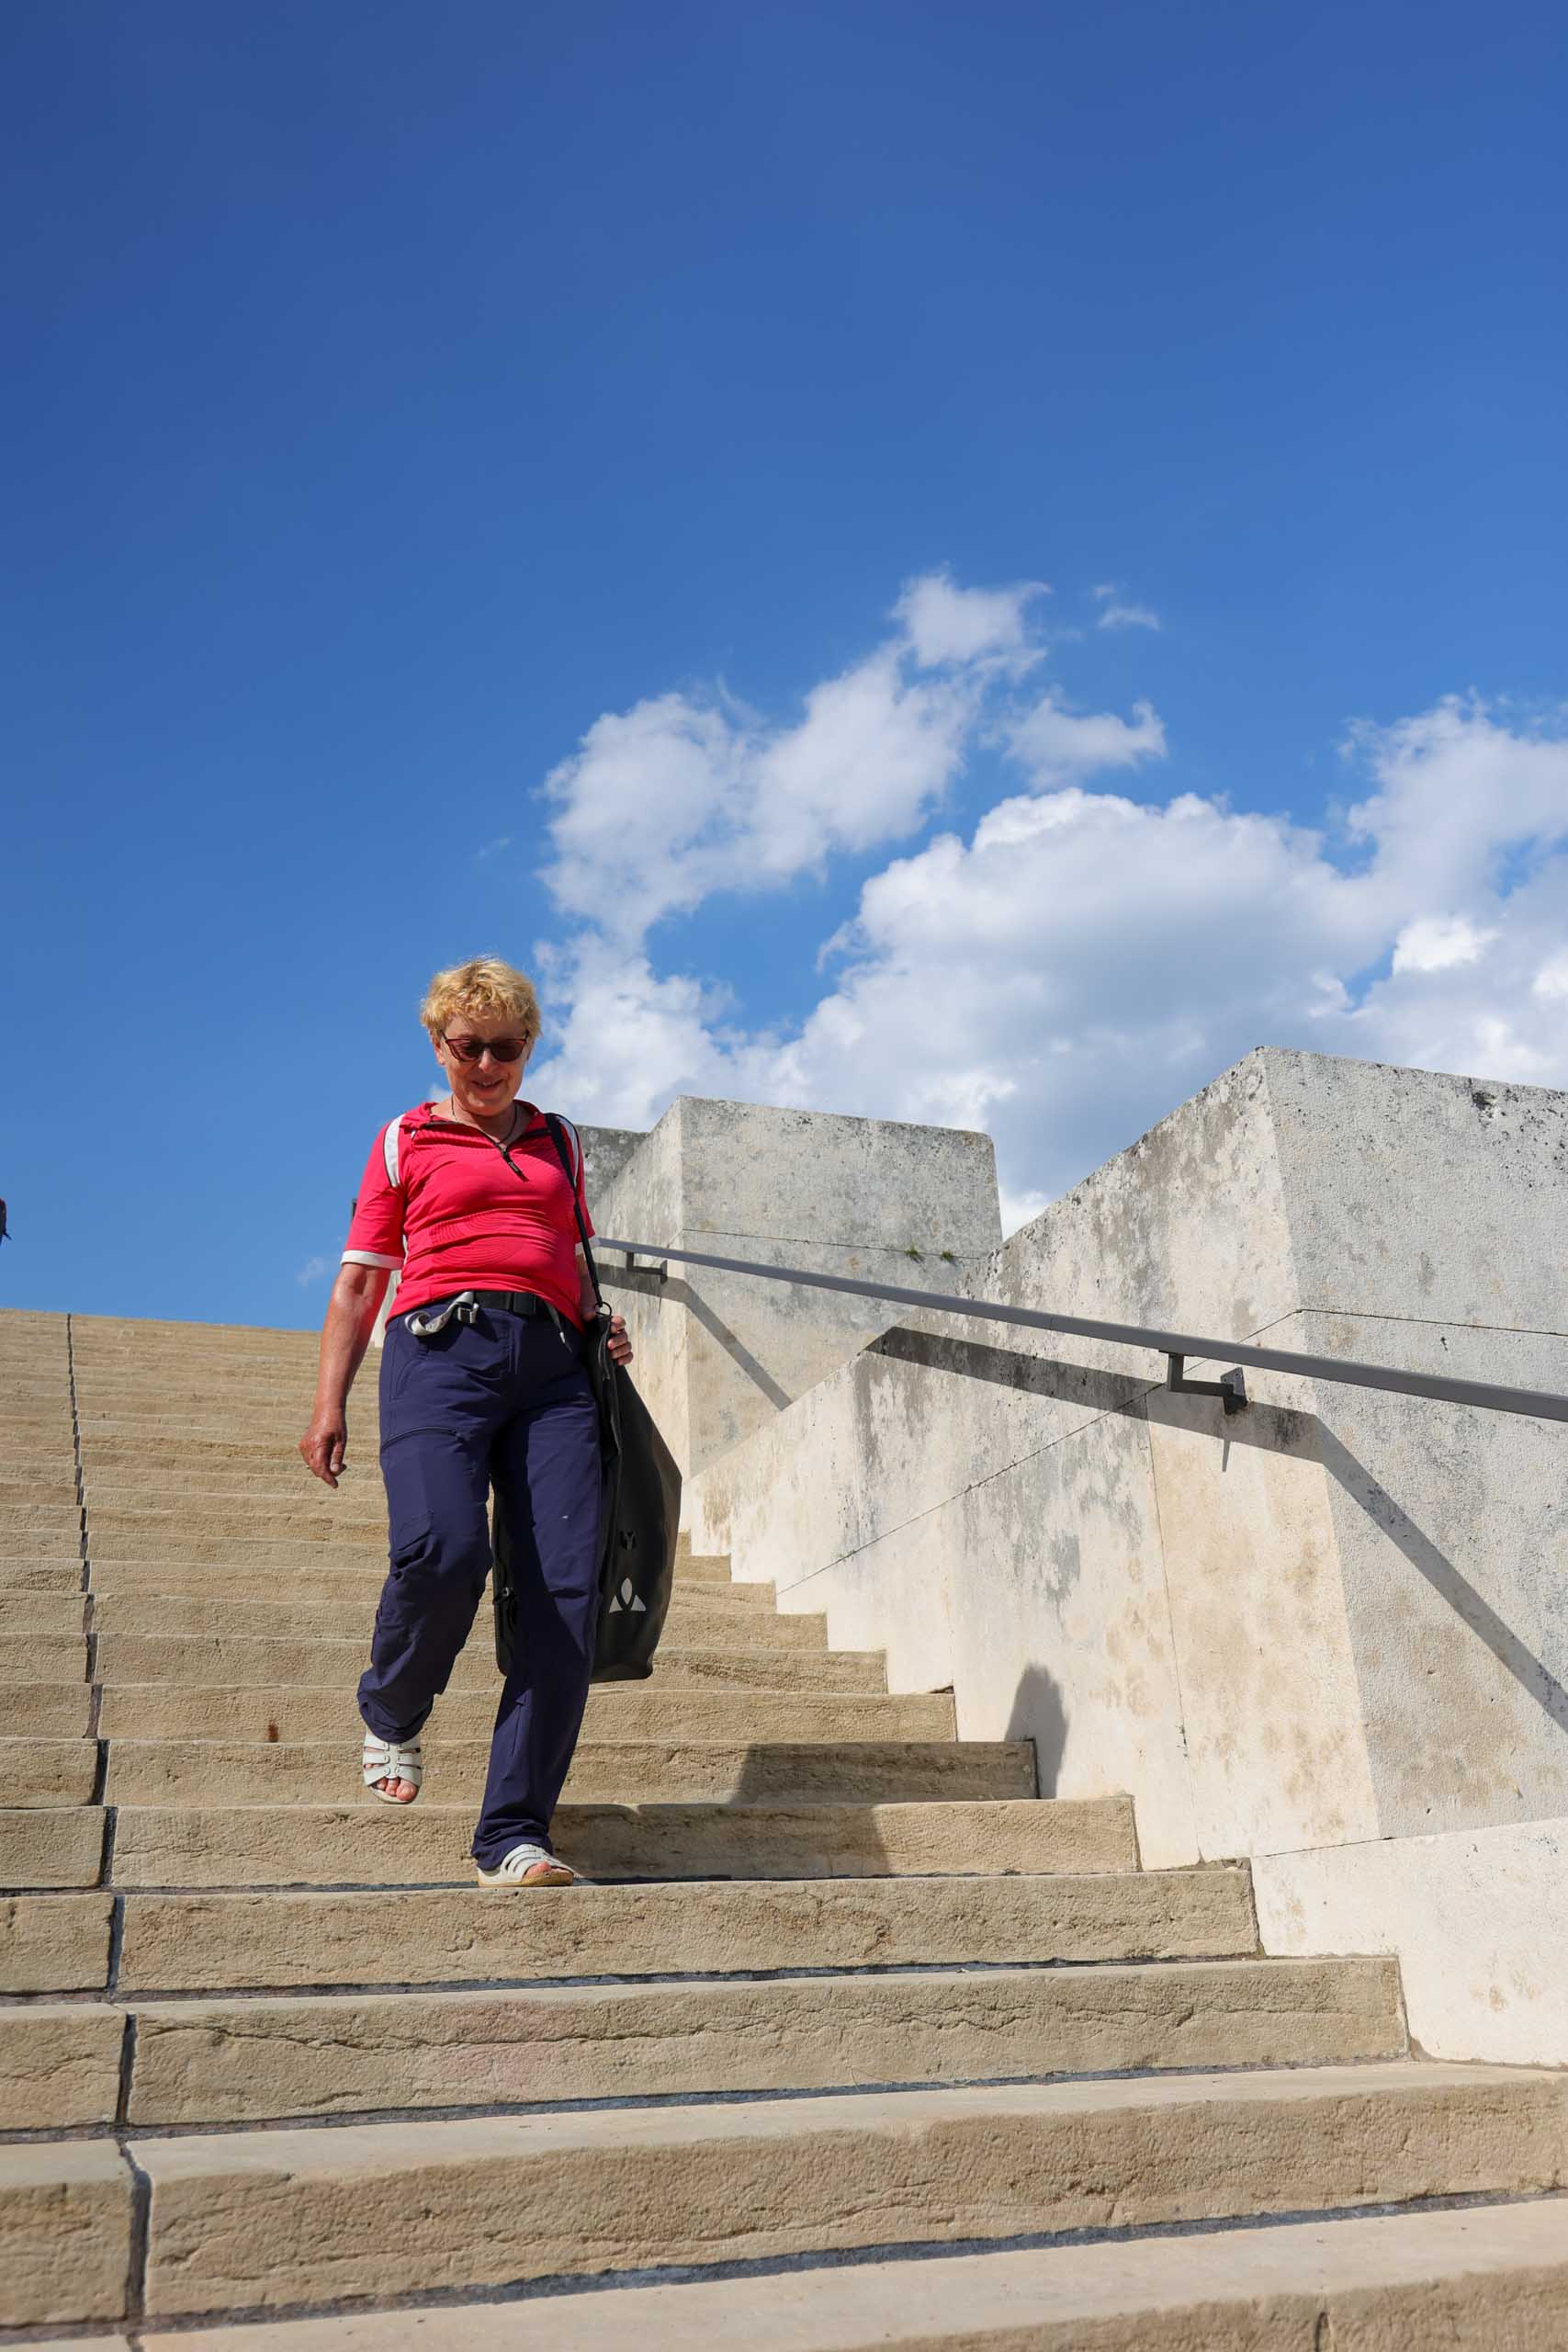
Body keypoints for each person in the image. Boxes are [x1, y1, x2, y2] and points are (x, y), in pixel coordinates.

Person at [299, 956, 631, 1888]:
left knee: (564, 1599)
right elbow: (359, 1281)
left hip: (554, 1374)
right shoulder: (405, 1139)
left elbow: (569, 1254)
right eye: (468, 1046)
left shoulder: (558, 1140)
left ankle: (512, 1833)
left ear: (530, 1047)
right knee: (444, 1550)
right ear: (438, 1044)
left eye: (506, 1048)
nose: (487, 1065)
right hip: (438, 1356)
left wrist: (599, 1323)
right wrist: (328, 1402)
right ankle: (393, 1706)